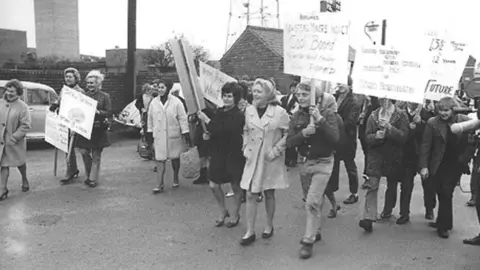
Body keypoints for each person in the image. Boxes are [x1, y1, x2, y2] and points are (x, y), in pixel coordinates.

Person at [286, 83, 339, 259]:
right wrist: (303, 134)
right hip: (304, 162)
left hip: (323, 163)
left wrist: (320, 120)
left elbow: (335, 138)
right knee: (311, 200)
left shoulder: (328, 113)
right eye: (298, 94)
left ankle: (307, 241)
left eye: (304, 94)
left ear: (314, 96)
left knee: (312, 202)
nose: (300, 97)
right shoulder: (297, 116)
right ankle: (316, 230)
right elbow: (290, 142)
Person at [239, 78, 290, 246]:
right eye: (253, 91)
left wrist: (276, 150)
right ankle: (250, 231)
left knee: (269, 192)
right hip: (253, 158)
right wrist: (245, 147)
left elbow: (288, 134)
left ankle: (269, 225)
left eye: (259, 91)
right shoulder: (249, 110)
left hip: (270, 158)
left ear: (268, 93)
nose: (255, 94)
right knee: (250, 193)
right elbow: (245, 130)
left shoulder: (279, 112)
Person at [419, 96, 474, 239]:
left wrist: (464, 158)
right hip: (438, 164)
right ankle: (443, 221)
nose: (444, 113)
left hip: (455, 163)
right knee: (440, 192)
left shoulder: (463, 120)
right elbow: (426, 145)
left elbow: (472, 140)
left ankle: (443, 226)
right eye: (441, 110)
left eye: (447, 110)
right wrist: (424, 166)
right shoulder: (432, 123)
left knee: (446, 192)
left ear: (453, 109)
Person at [197, 82, 245, 228]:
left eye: (230, 96)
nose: (226, 99)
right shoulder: (220, 111)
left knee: (235, 185)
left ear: (236, 98)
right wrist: (208, 135)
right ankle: (223, 210)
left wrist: (207, 121)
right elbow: (215, 131)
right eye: (224, 96)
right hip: (218, 153)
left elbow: (226, 130)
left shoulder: (238, 115)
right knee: (213, 184)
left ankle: (235, 213)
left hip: (233, 153)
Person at [359, 98, 409, 232]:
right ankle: (368, 218)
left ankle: (387, 211)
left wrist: (390, 128)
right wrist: (376, 137)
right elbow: (367, 137)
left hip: (393, 156)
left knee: (392, 184)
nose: (383, 101)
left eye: (385, 99)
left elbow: (404, 137)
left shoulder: (401, 115)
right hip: (376, 157)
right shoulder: (373, 115)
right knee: (372, 185)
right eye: (381, 99)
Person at [148, 79, 191, 193]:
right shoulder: (153, 103)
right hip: (159, 135)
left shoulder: (176, 102)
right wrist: (149, 132)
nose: (160, 90)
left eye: (162, 87)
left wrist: (185, 132)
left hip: (173, 134)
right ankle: (159, 184)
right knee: (160, 159)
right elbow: (150, 119)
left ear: (168, 88)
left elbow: (182, 118)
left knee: (174, 159)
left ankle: (175, 177)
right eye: (159, 87)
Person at [75, 70, 112, 188]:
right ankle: (90, 175)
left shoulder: (105, 96)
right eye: (88, 83)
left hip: (98, 129)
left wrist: (98, 112)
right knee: (84, 152)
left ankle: (92, 179)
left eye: (92, 83)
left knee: (96, 155)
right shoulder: (83, 96)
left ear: (98, 83)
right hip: (85, 130)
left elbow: (109, 112)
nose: (90, 85)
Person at [49, 67, 85, 185]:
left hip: (74, 123)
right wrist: (55, 105)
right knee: (65, 147)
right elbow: (59, 100)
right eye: (66, 77)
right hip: (63, 122)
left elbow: (81, 109)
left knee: (71, 148)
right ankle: (73, 169)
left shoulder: (79, 91)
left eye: (70, 77)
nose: (68, 79)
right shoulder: (64, 90)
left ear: (76, 78)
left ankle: (71, 171)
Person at [0, 79, 32, 200]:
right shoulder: (0, 103)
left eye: (12, 91)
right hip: (1, 142)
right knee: (3, 165)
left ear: (18, 92)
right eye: (8, 90)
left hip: (15, 142)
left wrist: (15, 137)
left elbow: (26, 125)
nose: (9, 93)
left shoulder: (23, 107)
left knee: (20, 163)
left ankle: (24, 179)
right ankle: (2, 189)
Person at [330, 79, 361, 204]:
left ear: (349, 85)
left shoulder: (354, 102)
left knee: (350, 166)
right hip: (334, 137)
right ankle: (331, 191)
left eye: (343, 83)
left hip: (347, 138)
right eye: (338, 83)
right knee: (333, 164)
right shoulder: (333, 97)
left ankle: (354, 193)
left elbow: (351, 122)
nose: (340, 85)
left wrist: (334, 122)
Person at [281, 82, 300, 167]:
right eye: (292, 87)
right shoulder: (286, 97)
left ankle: (293, 159)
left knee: (291, 140)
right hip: (285, 120)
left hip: (293, 120)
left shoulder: (298, 98)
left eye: (295, 87)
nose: (293, 89)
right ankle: (287, 159)